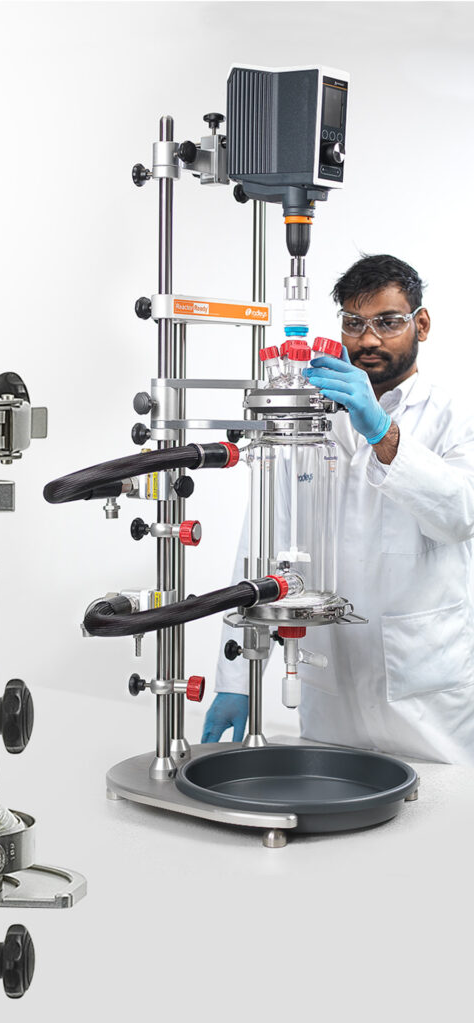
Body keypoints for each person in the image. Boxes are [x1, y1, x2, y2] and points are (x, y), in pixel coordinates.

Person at [202, 254, 474, 763]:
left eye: (387, 322)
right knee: (330, 790)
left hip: (426, 702)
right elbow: (260, 544)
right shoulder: (309, 421)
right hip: (330, 694)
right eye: (353, 323)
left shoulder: (455, 417)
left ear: (421, 324)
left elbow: (461, 514)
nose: (368, 339)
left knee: (442, 804)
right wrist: (236, 678)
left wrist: (382, 432)